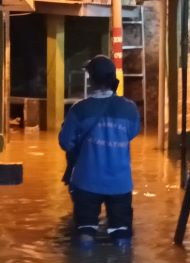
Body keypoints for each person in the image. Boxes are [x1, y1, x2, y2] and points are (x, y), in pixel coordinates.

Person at [59, 55, 141, 250]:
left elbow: (65, 143)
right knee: (122, 235)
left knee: (85, 233)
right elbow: (132, 133)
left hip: (86, 183)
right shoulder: (129, 109)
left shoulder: (78, 110)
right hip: (120, 184)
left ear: (91, 80)